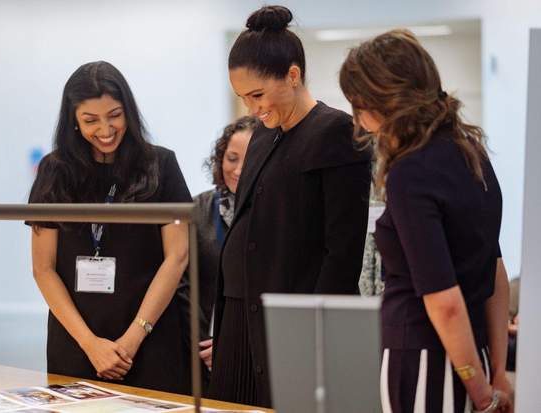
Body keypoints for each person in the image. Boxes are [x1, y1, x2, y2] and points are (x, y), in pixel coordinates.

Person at [339, 30, 514, 412]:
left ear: (380, 101)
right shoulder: (472, 155)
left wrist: (482, 394)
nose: (358, 122)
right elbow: (496, 271)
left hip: (424, 359)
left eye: (357, 106)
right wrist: (495, 372)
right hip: (475, 355)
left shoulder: (410, 173)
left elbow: (443, 301)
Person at [209, 6, 372, 408]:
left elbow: (343, 251)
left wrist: (312, 331)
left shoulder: (336, 131)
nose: (252, 109)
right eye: (243, 98)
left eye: (258, 95)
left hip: (293, 320)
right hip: (241, 315)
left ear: (293, 75)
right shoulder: (263, 135)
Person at [26, 61, 191, 394]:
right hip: (77, 338)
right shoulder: (54, 171)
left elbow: (177, 257)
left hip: (150, 335)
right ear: (73, 119)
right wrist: (90, 344)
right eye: (90, 120)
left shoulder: (161, 165)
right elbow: (43, 269)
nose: (105, 129)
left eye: (114, 115)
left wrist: (133, 338)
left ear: (128, 110)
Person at [193, 116, 258, 372]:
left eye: (250, 159)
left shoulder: (279, 212)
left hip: (255, 347)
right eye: (232, 158)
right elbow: (183, 285)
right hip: (200, 346)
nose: (239, 169)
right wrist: (202, 340)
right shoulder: (198, 209)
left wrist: (231, 343)